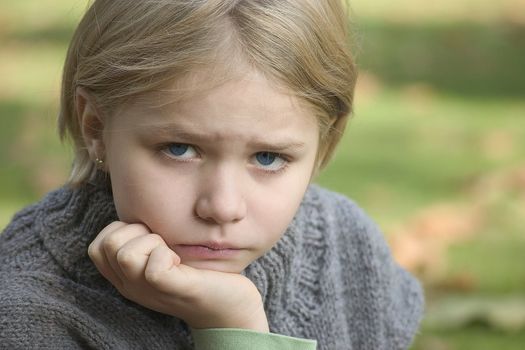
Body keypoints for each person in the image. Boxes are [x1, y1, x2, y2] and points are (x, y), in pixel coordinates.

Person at [0, 0, 424, 349]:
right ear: (96, 128)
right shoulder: (28, 309)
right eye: (179, 149)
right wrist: (233, 330)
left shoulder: (345, 244)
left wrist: (230, 318)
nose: (222, 207)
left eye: (268, 158)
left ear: (323, 142)